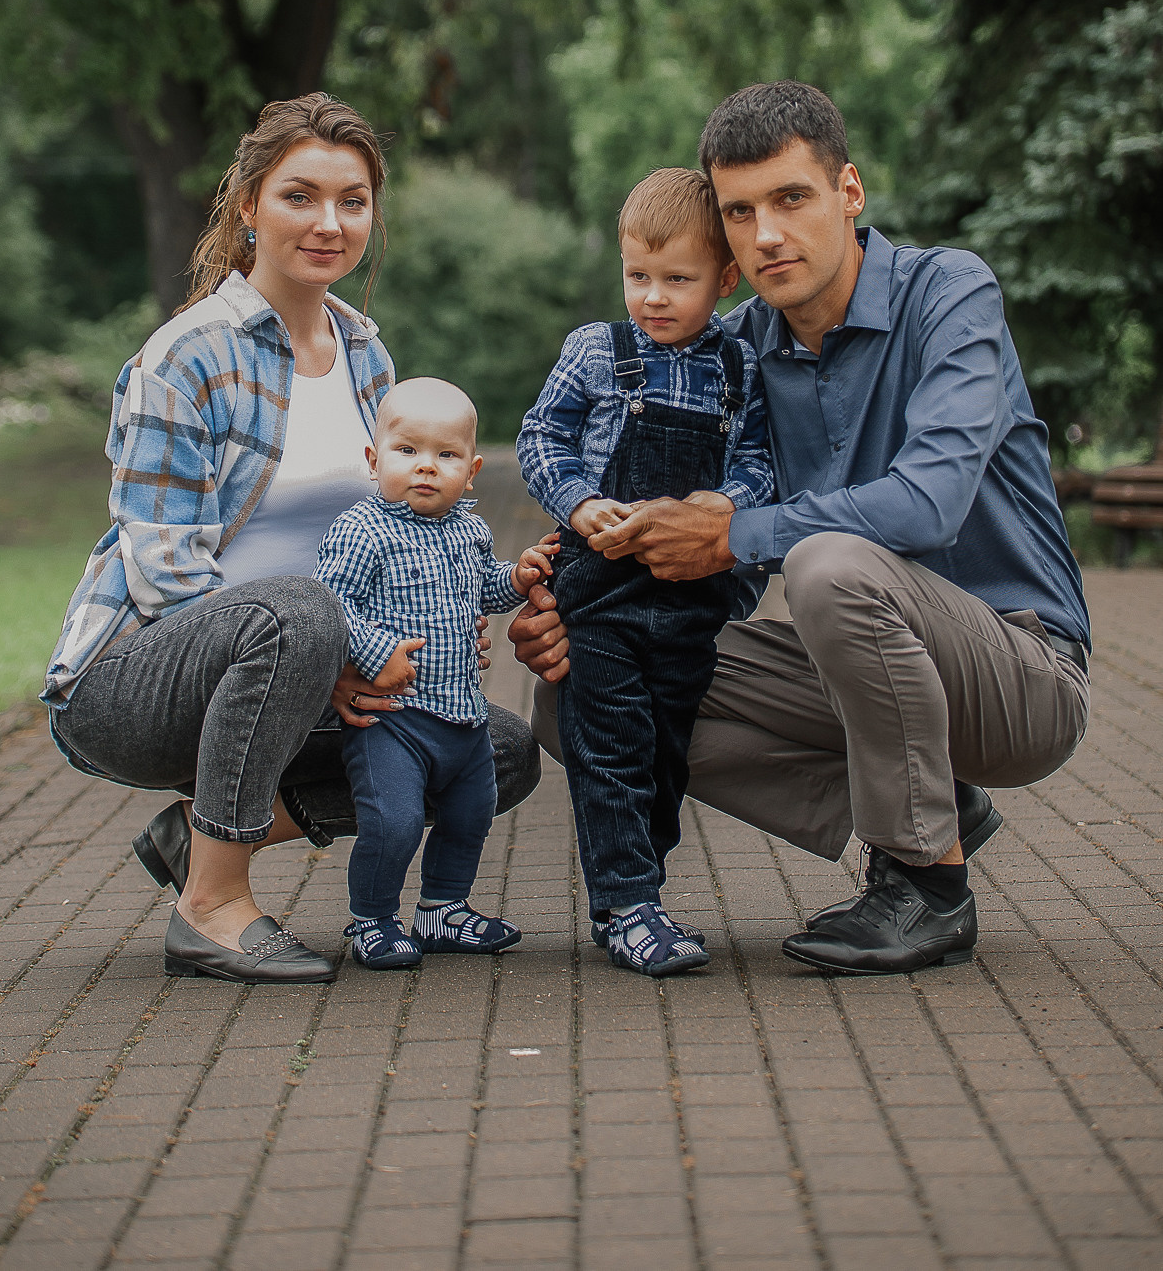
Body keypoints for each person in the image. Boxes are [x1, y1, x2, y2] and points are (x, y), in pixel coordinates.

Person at [510, 81, 1090, 978]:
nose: (768, 233)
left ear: (848, 193)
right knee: (588, 689)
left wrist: (735, 536)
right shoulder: (734, 356)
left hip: (1023, 672)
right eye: (740, 212)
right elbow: (714, 564)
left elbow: (926, 503)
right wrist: (575, 598)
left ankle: (928, 890)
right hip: (876, 677)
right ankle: (933, 810)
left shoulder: (949, 294)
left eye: (791, 199)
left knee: (825, 565)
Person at [44, 93, 540, 987]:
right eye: (300, 196)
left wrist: (435, 614)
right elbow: (162, 571)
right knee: (303, 610)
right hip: (136, 678)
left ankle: (203, 830)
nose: (329, 222)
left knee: (495, 749)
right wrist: (329, 649)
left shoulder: (367, 358)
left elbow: (404, 530)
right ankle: (211, 908)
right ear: (248, 206)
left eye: (352, 202)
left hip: (300, 672)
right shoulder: (186, 357)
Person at [516, 168, 773, 977]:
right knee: (611, 744)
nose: (652, 298)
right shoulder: (598, 350)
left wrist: (719, 504)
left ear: (724, 279)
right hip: (599, 592)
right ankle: (629, 904)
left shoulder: (740, 367)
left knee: (666, 752)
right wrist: (581, 500)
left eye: (677, 280)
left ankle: (639, 890)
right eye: (637, 276)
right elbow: (539, 438)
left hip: (691, 598)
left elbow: (761, 467)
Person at [317, 378, 556, 969]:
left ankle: (444, 909)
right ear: (374, 461)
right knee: (393, 822)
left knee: (471, 814)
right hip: (392, 720)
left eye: (445, 455)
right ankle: (371, 919)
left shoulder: (468, 530)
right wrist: (376, 655)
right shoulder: (361, 530)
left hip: (462, 715)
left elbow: (481, 588)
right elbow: (328, 605)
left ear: (471, 471)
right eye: (407, 452)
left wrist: (517, 579)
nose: (426, 467)